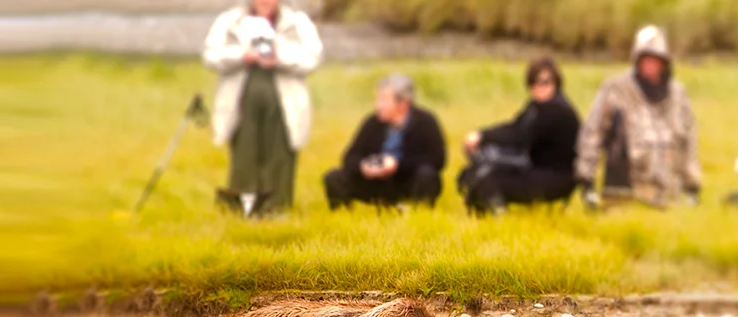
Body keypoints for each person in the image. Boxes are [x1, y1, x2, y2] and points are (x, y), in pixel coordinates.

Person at [203, 0, 324, 219]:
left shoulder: (297, 22)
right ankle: (244, 209)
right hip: (242, 97)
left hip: (284, 98)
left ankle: (277, 209)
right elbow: (211, 55)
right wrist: (243, 56)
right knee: (245, 153)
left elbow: (312, 57)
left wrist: (279, 58)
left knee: (280, 153)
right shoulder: (230, 21)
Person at [574, 26, 702, 210]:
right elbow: (592, 132)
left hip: (669, 194)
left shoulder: (678, 95)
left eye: (655, 60)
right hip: (624, 191)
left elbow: (688, 142)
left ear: (664, 63)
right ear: (637, 61)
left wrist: (692, 185)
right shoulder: (616, 90)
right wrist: (586, 180)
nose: (649, 65)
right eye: (645, 59)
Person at [457, 58, 582, 214]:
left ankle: (499, 222)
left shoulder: (557, 111)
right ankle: (486, 220)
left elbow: (519, 137)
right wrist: (481, 135)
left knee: (486, 180)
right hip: (538, 169)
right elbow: (515, 126)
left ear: (556, 82)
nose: (539, 87)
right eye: (534, 82)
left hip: (557, 178)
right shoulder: (536, 106)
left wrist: (482, 137)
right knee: (476, 172)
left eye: (546, 82)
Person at [323, 74, 448, 210]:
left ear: (403, 103)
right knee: (333, 177)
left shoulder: (425, 122)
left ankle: (419, 210)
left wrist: (397, 165)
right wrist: (363, 167)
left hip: (407, 180)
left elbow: (437, 159)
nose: (378, 105)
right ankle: (343, 213)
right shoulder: (372, 122)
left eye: (383, 100)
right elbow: (350, 157)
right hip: (375, 181)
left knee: (427, 175)